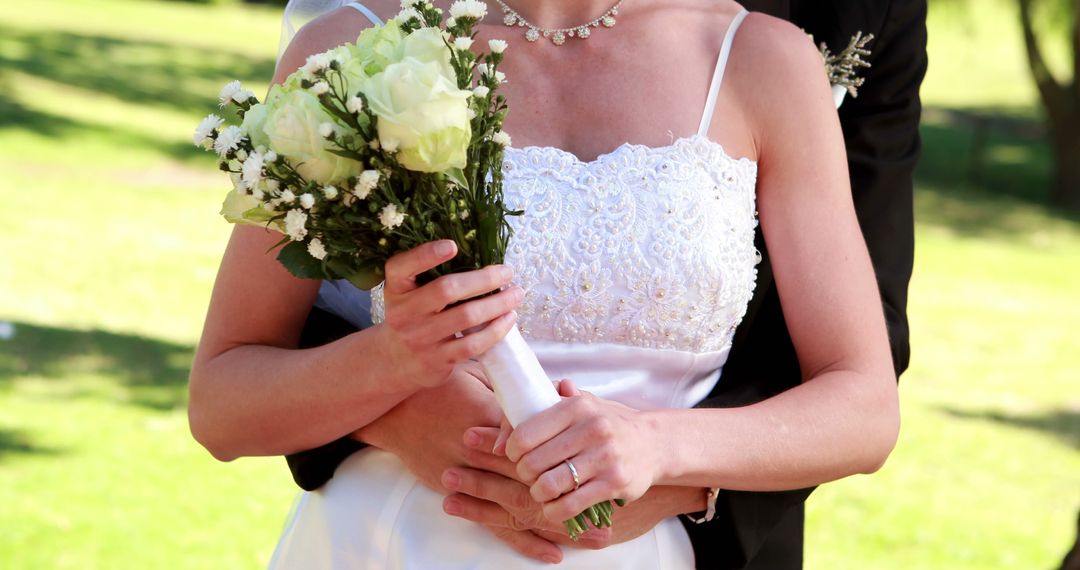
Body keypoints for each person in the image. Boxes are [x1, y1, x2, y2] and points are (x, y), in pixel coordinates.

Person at [188, 0, 910, 567]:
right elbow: (221, 404)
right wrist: (393, 364)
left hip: (638, 555)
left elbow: (865, 409)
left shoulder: (761, 59)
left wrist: (660, 446)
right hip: (387, 541)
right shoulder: (350, 50)